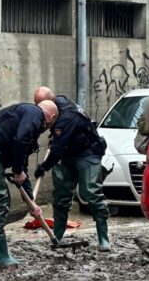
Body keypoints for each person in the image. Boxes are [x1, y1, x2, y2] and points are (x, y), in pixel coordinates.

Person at [0, 100, 58, 266]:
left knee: (0, 199)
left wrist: (32, 203)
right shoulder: (35, 113)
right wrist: (18, 171)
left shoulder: (25, 120)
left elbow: (22, 166)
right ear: (52, 118)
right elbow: (20, 141)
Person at [33, 87, 111, 251]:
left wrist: (44, 167)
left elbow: (57, 150)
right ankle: (58, 236)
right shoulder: (58, 102)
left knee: (92, 192)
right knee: (61, 195)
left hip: (88, 153)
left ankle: (103, 238)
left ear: (52, 102)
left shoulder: (67, 116)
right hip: (68, 155)